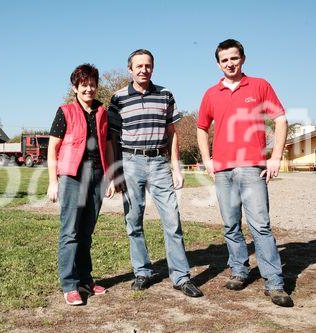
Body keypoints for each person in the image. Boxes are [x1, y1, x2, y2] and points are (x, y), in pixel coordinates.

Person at [196, 39, 293, 307]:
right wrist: (207, 159)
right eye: (225, 60)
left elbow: (281, 119)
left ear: (243, 59)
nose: (230, 63)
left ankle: (274, 282)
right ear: (218, 63)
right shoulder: (211, 93)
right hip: (223, 170)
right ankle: (239, 270)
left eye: (234, 58)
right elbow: (202, 127)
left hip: (252, 167)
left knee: (260, 225)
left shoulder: (260, 86)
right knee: (230, 224)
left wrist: (275, 156)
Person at [108, 49, 203, 297]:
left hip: (159, 162)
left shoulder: (165, 94)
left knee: (172, 220)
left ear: (153, 67)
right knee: (133, 220)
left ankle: (181, 277)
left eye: (148, 66)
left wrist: (176, 166)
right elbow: (113, 139)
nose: (143, 70)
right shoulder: (118, 98)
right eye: (138, 66)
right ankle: (142, 272)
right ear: (130, 69)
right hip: (130, 162)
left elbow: (172, 133)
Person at [47, 63, 115, 306]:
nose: (89, 89)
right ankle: (69, 284)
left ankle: (86, 279)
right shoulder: (65, 111)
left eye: (92, 84)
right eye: (84, 84)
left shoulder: (102, 112)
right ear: (75, 87)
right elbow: (52, 148)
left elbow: (107, 145)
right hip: (72, 177)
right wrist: (53, 182)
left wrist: (110, 177)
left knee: (86, 232)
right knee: (70, 232)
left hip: (97, 176)